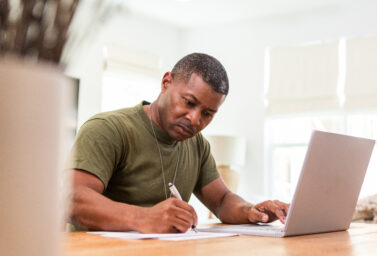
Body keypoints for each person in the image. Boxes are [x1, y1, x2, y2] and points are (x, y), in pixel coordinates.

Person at [69, 53, 289, 233]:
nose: (195, 119)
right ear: (166, 83)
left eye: (208, 113)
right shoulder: (108, 129)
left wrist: (251, 211)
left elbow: (221, 200)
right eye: (189, 102)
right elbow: (72, 200)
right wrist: (143, 217)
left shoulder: (197, 145)